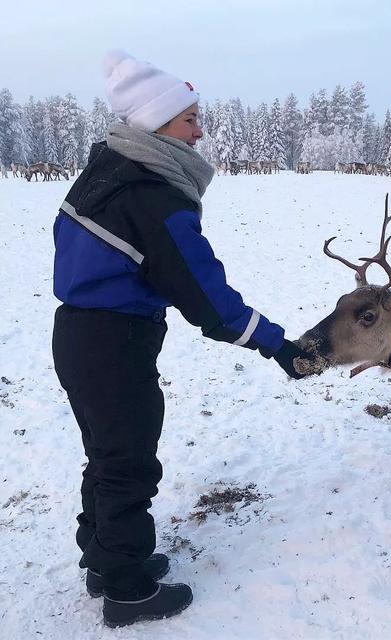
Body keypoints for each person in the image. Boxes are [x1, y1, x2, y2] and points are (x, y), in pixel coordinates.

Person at [52, 49, 316, 628]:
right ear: (155, 123)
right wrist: (278, 345)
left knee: (107, 453)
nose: (199, 131)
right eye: (189, 118)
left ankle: (105, 559)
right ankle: (125, 591)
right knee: (128, 462)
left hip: (77, 334)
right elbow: (206, 298)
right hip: (114, 343)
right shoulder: (154, 197)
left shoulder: (107, 172)